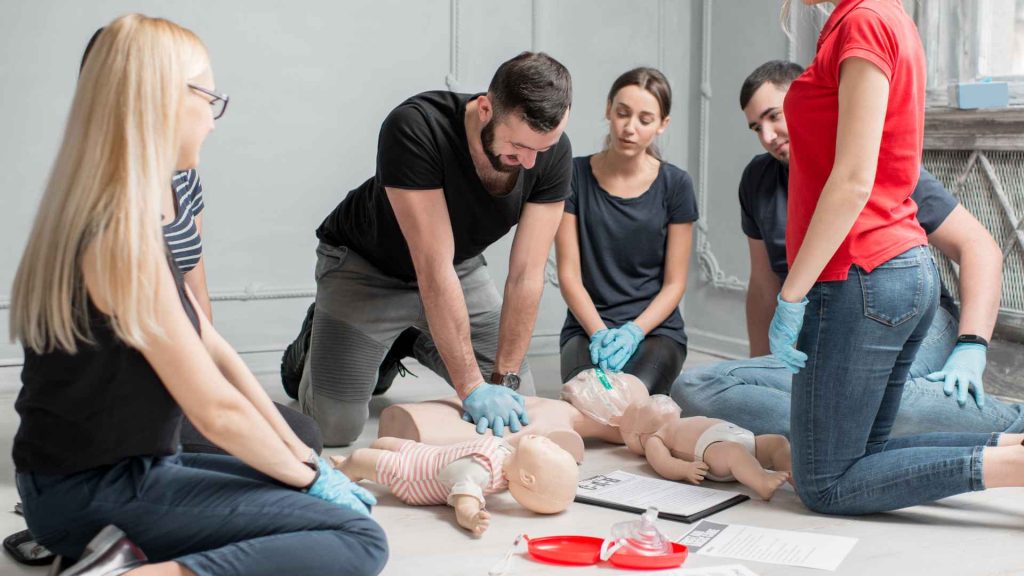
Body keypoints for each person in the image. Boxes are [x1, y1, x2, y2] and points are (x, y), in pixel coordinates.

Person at [9, 15, 387, 575]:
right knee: (359, 540)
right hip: (89, 494)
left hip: (110, 473)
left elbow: (210, 345)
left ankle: (118, 556)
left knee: (297, 463)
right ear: (162, 100)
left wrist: (304, 460)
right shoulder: (120, 238)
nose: (213, 120)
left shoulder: (119, 213)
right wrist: (311, 479)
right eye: (209, 97)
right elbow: (214, 409)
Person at [672, 60, 1023, 438]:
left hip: (915, 326)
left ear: (805, 101)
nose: (768, 135)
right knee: (693, 389)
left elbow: (980, 247)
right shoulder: (758, 180)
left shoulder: (870, 161)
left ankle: (1011, 424)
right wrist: (764, 370)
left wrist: (972, 346)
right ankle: (874, 437)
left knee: (870, 401)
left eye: (775, 116)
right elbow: (763, 284)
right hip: (831, 335)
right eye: (757, 127)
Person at [766, 0, 1024, 515]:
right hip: (890, 270)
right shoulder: (866, 19)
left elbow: (854, 179)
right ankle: (1009, 450)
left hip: (862, 274)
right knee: (866, 453)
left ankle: (1011, 469)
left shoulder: (865, 21)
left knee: (824, 483)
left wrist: (791, 293)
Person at [290, 51, 573, 446]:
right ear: (487, 109)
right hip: (366, 268)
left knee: (518, 406)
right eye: (518, 146)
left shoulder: (549, 152)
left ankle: (408, 338)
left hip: (459, 267)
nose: (529, 162)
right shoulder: (415, 127)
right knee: (333, 430)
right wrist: (473, 388)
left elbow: (526, 274)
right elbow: (431, 266)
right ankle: (311, 345)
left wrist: (503, 381)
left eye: (541, 149)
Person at [556, 67, 697, 396]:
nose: (629, 128)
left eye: (645, 120)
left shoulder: (676, 185)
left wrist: (634, 331)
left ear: (662, 125)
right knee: (588, 396)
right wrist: (597, 333)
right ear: (608, 110)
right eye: (622, 113)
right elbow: (569, 275)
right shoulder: (573, 175)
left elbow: (675, 283)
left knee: (629, 399)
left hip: (655, 331)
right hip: (587, 327)